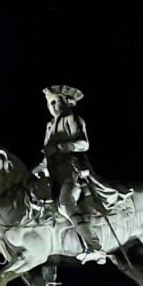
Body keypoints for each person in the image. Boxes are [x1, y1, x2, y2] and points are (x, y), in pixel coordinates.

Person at [35, 85, 106, 264]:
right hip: (53, 175)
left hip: (71, 172)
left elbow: (84, 144)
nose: (52, 106)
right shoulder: (49, 125)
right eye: (49, 103)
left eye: (55, 102)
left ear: (64, 102)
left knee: (66, 202)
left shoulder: (71, 118)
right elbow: (46, 155)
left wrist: (60, 147)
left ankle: (95, 246)